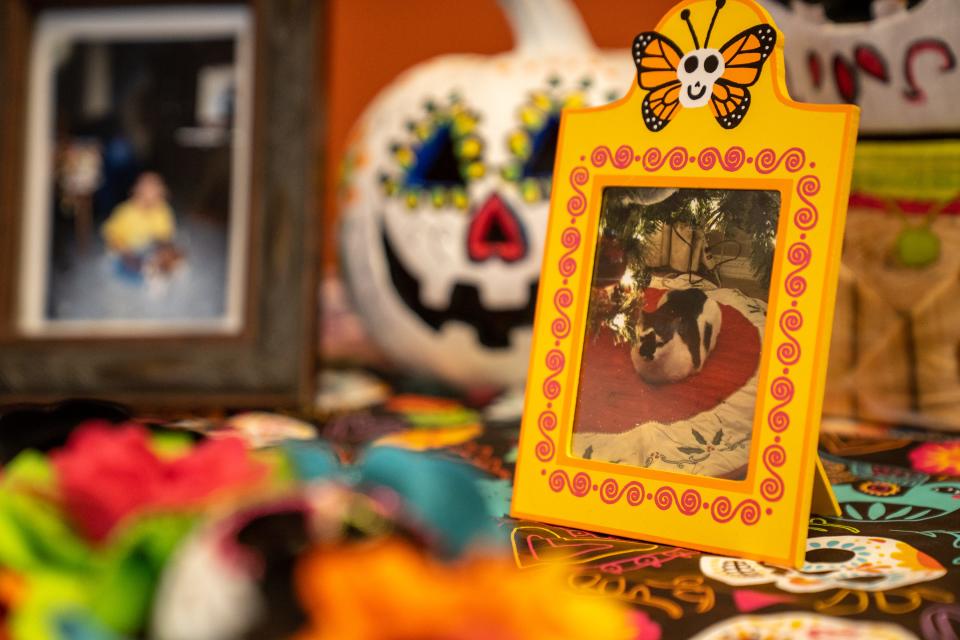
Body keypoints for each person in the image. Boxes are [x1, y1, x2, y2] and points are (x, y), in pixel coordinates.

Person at [101, 172, 176, 279]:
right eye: (145, 191)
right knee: (128, 267)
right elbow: (110, 231)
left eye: (156, 193)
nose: (150, 199)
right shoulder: (125, 211)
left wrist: (164, 247)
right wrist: (121, 246)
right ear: (136, 192)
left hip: (148, 246)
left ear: (162, 194)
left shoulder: (163, 210)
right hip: (126, 247)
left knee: (170, 253)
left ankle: (151, 268)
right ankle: (138, 270)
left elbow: (165, 233)